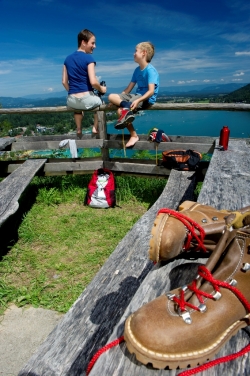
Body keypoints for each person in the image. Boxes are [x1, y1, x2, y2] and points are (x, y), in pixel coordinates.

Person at [108, 42, 159, 147]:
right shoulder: (137, 70)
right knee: (111, 97)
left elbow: (151, 91)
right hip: (136, 96)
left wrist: (138, 101)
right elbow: (127, 89)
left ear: (144, 53)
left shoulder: (151, 70)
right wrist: (116, 100)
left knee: (120, 110)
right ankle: (126, 107)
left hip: (146, 99)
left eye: (136, 51)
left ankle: (133, 135)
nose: (133, 54)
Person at [62, 29, 106, 138]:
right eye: (92, 43)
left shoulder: (67, 59)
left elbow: (64, 82)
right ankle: (95, 127)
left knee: (78, 109)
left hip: (71, 100)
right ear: (83, 42)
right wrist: (102, 89)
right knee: (102, 104)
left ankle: (78, 128)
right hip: (87, 99)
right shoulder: (89, 58)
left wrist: (73, 91)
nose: (94, 46)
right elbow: (93, 82)